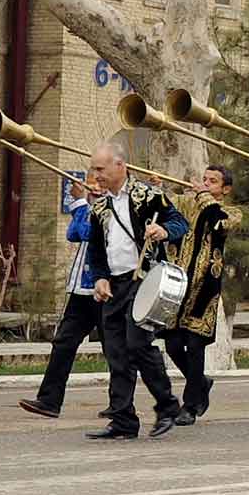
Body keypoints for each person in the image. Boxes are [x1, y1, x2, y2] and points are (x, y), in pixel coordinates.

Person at [81, 143, 189, 441]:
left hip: (145, 278)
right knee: (115, 352)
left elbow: (181, 223)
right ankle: (123, 419)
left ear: (120, 166)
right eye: (94, 169)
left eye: (100, 169)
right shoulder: (99, 207)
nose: (96, 175)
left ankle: (167, 405)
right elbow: (96, 250)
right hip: (115, 285)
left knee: (138, 343)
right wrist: (100, 278)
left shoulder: (148, 196)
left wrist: (163, 231)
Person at [18, 176, 103, 419]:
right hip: (80, 291)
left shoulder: (112, 208)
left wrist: (79, 204)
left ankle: (132, 405)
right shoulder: (90, 208)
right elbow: (73, 234)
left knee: (117, 351)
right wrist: (82, 205)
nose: (93, 186)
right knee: (64, 343)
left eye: (98, 180)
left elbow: (89, 232)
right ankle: (49, 401)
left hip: (103, 289)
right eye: (90, 180)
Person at [161, 165, 239, 424]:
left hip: (205, 286)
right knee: (172, 344)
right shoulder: (187, 204)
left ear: (225, 189)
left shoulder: (229, 212)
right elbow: (165, 211)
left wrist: (203, 195)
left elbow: (218, 221)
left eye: (213, 181)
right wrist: (157, 187)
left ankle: (191, 405)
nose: (205, 184)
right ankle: (201, 382)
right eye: (204, 179)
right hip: (178, 284)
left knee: (195, 345)